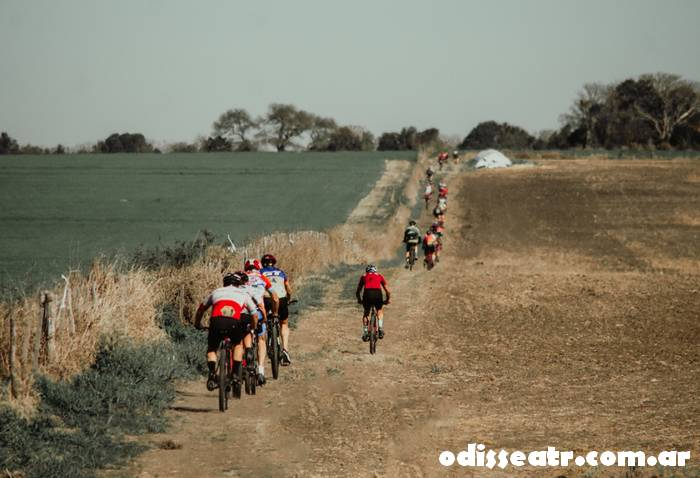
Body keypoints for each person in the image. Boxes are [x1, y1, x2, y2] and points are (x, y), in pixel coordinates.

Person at [194, 271, 258, 391]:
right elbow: (254, 315)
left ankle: (212, 374)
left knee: (212, 349)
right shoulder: (243, 293)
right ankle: (234, 375)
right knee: (238, 345)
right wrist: (253, 327)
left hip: (216, 322)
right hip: (234, 322)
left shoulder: (216, 292)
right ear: (238, 284)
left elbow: (201, 309)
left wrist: (197, 324)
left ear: (224, 283)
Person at [244, 259, 279, 384]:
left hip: (243, 311)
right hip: (258, 312)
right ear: (258, 268)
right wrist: (274, 313)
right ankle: (261, 370)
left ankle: (243, 363)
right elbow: (274, 296)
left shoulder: (241, 277)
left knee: (245, 335)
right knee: (261, 339)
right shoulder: (262, 277)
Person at [260, 253, 293, 366]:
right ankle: (285, 349)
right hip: (282, 299)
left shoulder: (260, 273)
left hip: (267, 299)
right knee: (284, 323)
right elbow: (288, 288)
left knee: (263, 321)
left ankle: (263, 345)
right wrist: (288, 299)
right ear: (273, 263)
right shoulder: (281, 272)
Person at [356, 264, 391, 341]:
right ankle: (380, 329)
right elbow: (387, 291)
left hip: (367, 294)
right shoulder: (379, 276)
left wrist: (359, 300)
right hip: (377, 294)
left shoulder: (364, 276)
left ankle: (365, 333)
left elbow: (358, 291)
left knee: (366, 313)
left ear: (367, 271)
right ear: (375, 270)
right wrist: (387, 300)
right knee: (379, 310)